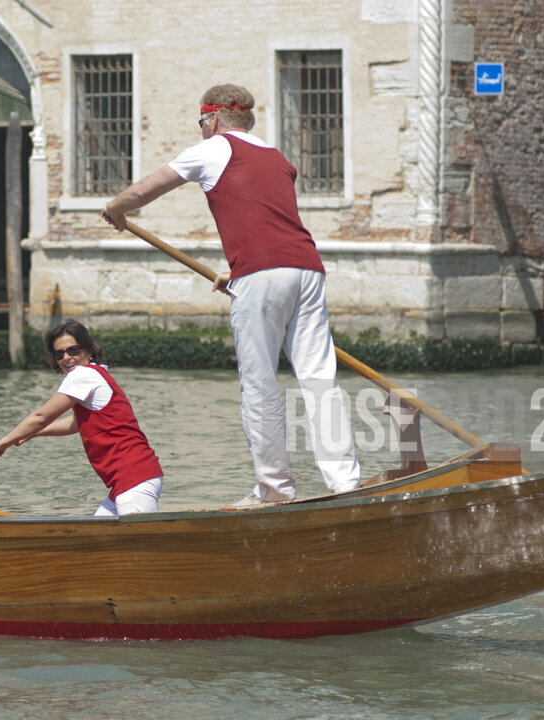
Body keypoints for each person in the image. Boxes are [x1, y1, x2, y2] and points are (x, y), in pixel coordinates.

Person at [101, 83, 360, 506]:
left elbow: (143, 191)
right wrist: (235, 273)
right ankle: (345, 482)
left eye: (202, 123)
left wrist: (115, 210)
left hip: (263, 274)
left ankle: (275, 491)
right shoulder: (278, 158)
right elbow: (270, 223)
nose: (202, 130)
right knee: (319, 381)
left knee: (259, 385)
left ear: (215, 118)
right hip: (307, 270)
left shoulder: (214, 148)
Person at [0, 320, 163, 516]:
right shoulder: (97, 373)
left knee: (137, 543)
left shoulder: (83, 375)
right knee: (95, 539)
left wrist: (3, 442)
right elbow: (76, 423)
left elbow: (40, 416)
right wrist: (33, 434)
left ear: (87, 349)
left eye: (73, 350)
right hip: (128, 480)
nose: (66, 358)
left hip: (134, 476)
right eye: (59, 354)